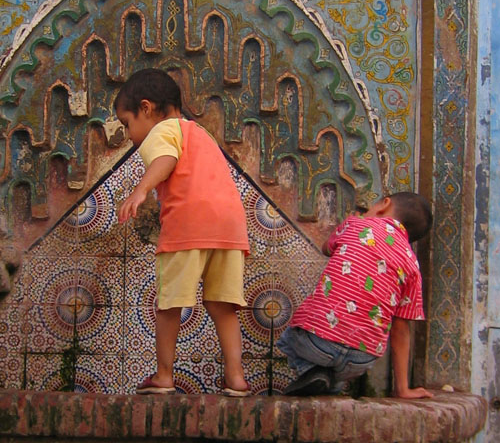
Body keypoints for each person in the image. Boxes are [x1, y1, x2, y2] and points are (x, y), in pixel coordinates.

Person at [115, 68, 250, 397]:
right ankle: (236, 379)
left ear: (146, 109)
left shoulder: (161, 132)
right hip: (230, 227)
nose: (129, 134)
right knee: (223, 306)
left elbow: (165, 159)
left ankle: (164, 376)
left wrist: (141, 190)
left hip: (189, 224)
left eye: (127, 124)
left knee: (169, 304)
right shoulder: (200, 133)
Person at [277, 192, 434, 398]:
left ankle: (309, 371)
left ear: (383, 205)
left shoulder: (357, 224)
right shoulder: (412, 265)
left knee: (289, 337)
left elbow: (326, 248)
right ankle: (331, 385)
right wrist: (402, 388)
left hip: (315, 344)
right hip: (361, 360)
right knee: (338, 370)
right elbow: (401, 329)